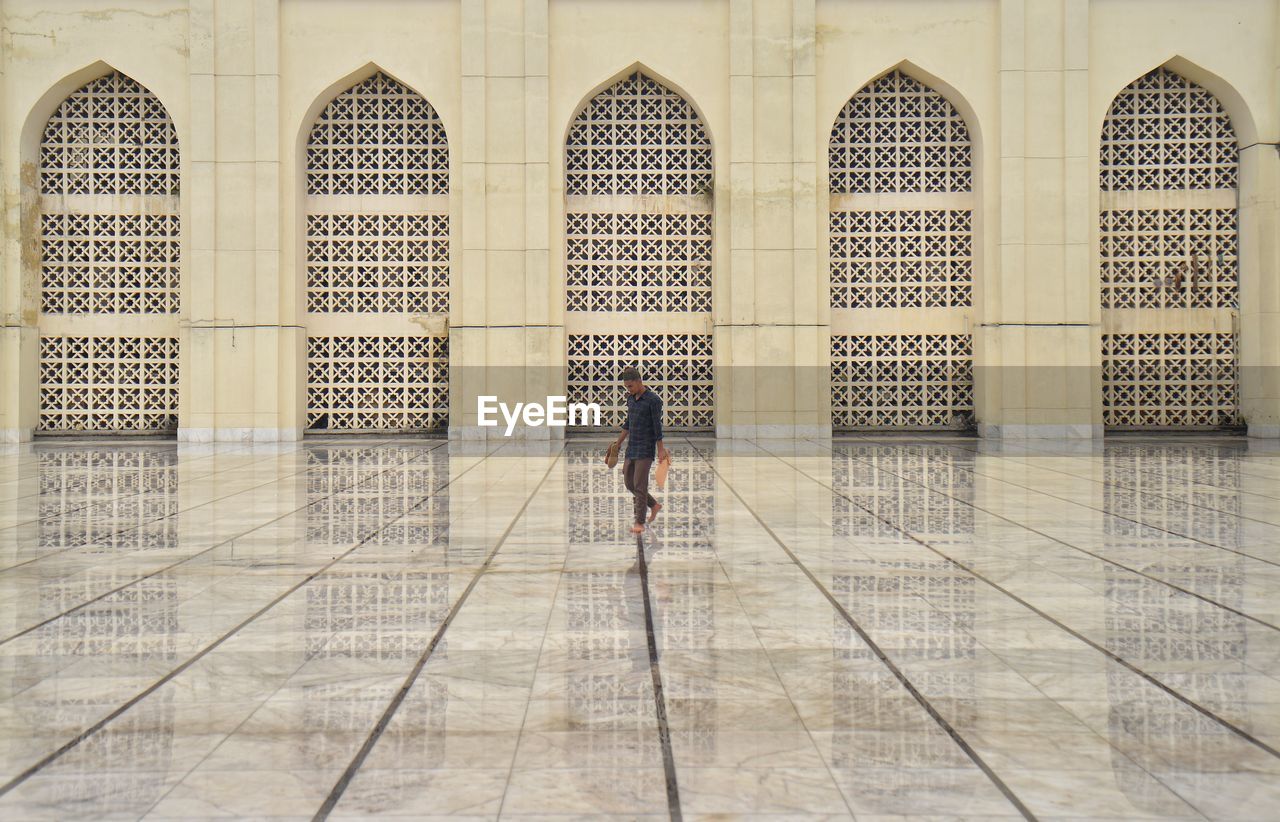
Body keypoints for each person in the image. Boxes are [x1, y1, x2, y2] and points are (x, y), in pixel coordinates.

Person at [611, 366, 668, 534]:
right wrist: (618, 443)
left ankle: (639, 522)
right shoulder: (631, 399)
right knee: (629, 483)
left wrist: (660, 449)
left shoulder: (653, 400)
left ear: (639, 381)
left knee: (639, 485)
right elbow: (628, 423)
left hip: (645, 447)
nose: (628, 389)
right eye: (626, 387)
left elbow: (657, 426)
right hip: (632, 447)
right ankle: (654, 505)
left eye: (630, 386)